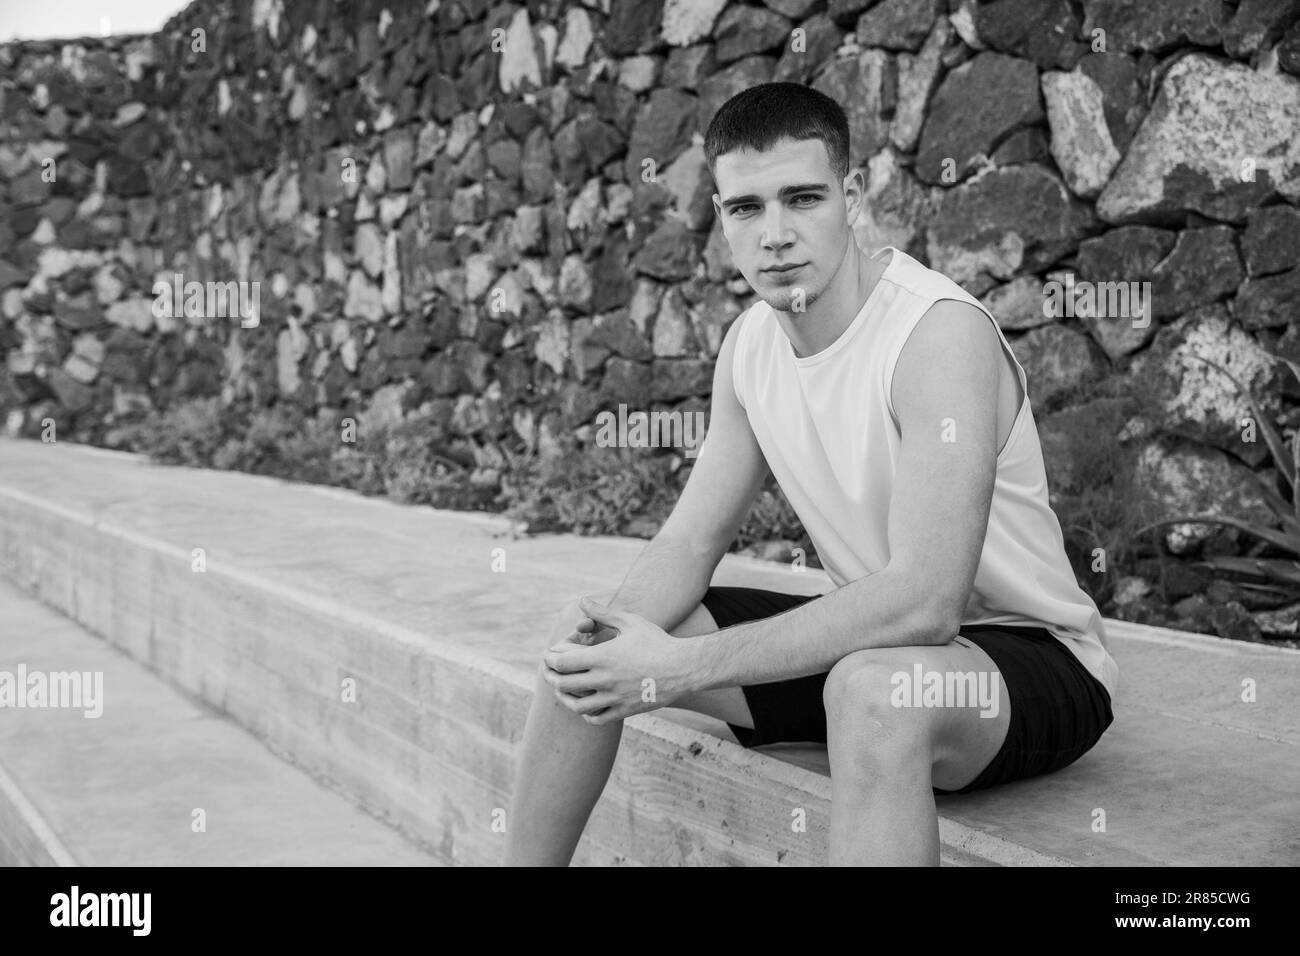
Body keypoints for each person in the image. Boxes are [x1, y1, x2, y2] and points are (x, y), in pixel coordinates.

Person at [505, 82, 1118, 866]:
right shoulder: (751, 347)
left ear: (853, 196)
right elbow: (691, 541)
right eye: (746, 208)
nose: (776, 235)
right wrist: (622, 648)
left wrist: (683, 666)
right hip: (869, 644)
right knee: (581, 646)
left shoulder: (935, 337)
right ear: (721, 219)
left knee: (873, 694)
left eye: (802, 198)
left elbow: (928, 601)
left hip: (1024, 662)